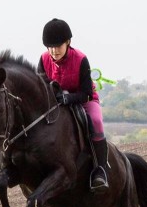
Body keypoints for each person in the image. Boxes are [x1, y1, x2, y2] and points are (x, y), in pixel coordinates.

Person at [38, 18, 109, 192]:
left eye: (58, 46)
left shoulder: (81, 59)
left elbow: (86, 93)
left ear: (68, 42)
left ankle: (100, 170)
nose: (54, 51)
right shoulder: (43, 59)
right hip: (56, 103)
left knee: (96, 121)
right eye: (50, 47)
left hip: (83, 99)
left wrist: (69, 98)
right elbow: (41, 86)